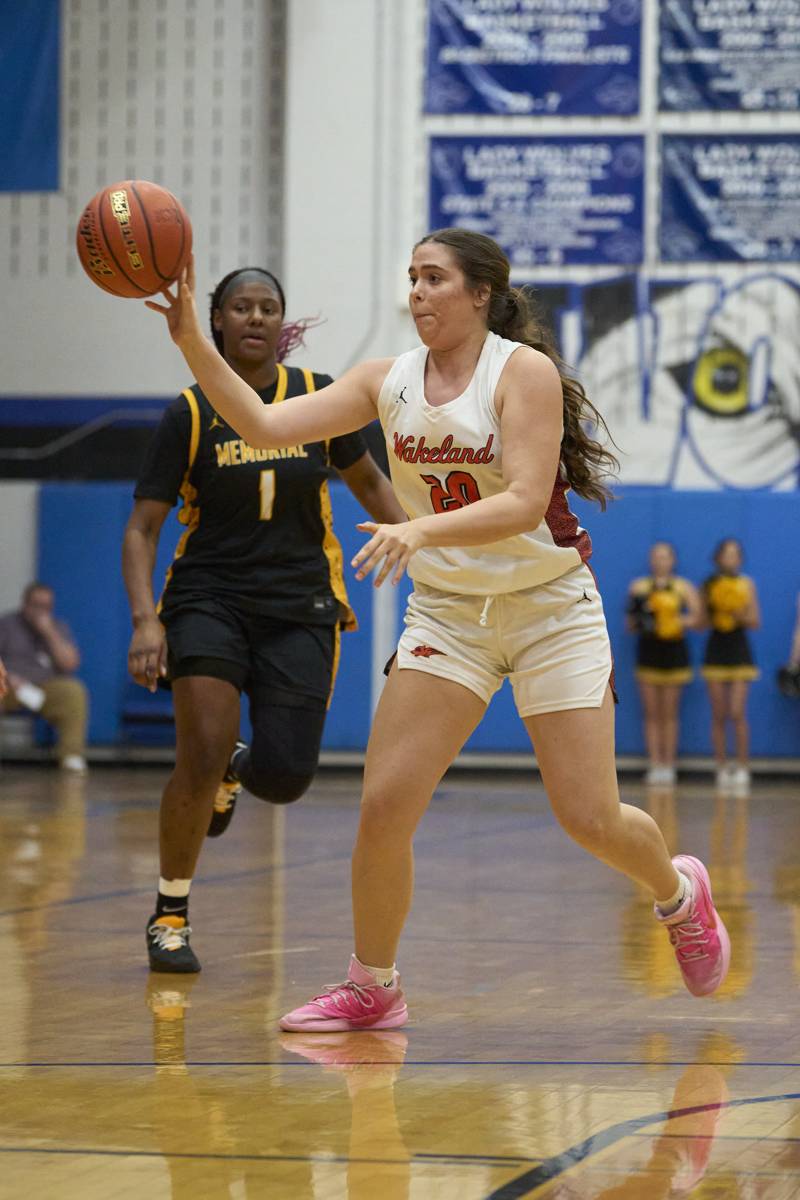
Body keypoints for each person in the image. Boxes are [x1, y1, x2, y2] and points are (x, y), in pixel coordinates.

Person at [146, 230, 731, 1028]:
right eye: (412, 279)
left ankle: (676, 892)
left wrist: (418, 531)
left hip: (549, 609)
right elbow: (265, 422)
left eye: (434, 278)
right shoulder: (384, 381)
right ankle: (372, 986)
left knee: (588, 817)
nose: (417, 293)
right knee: (384, 805)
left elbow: (526, 500)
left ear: (481, 293)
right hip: (450, 616)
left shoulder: (521, 373)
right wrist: (188, 337)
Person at [124, 265, 405, 974]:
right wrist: (145, 621)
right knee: (200, 749)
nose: (255, 317)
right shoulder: (189, 414)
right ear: (214, 321)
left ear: (283, 323)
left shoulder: (317, 396)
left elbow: (369, 481)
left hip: (300, 602)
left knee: (285, 777)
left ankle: (237, 771)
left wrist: (429, 547)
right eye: (240, 307)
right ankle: (170, 913)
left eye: (268, 307)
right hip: (208, 599)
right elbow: (143, 528)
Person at [626, 542, 701, 787]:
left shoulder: (683, 587)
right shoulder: (639, 587)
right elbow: (630, 622)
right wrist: (645, 621)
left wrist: (677, 621)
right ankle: (654, 763)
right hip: (649, 652)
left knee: (669, 713)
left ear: (673, 560)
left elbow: (699, 619)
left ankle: (669, 764)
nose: (660, 561)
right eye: (656, 557)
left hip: (674, 653)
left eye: (665, 557)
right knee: (651, 713)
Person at [0, 583, 88, 772]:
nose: (41, 611)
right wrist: (8, 677)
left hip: (44, 688)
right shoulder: (6, 625)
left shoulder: (58, 628)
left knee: (73, 691)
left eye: (46, 607)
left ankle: (71, 756)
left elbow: (70, 664)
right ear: (25, 604)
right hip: (9, 685)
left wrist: (50, 633)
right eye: (36, 605)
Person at [700, 539, 760, 794]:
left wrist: (735, 610)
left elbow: (755, 620)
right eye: (727, 554)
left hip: (739, 650)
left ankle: (743, 766)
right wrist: (716, 609)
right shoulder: (708, 584)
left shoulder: (747, 584)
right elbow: (701, 622)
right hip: (716, 650)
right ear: (718, 558)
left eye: (736, 554)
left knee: (737, 712)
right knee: (719, 713)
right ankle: (721, 766)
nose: (731, 558)